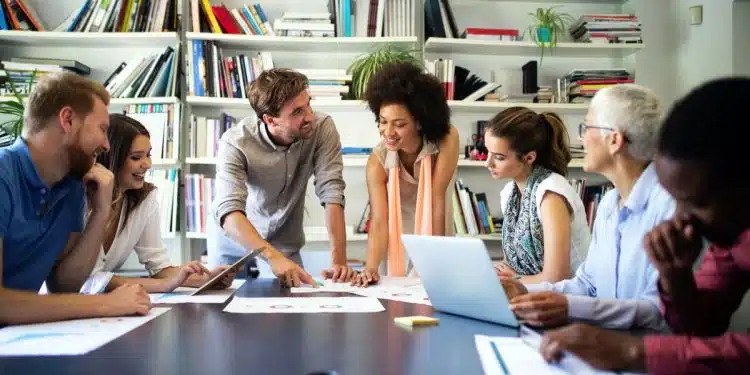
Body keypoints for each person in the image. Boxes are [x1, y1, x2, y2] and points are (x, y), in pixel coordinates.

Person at [538, 77, 750, 374]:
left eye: (697, 203)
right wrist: (675, 277)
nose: (681, 217)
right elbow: (703, 325)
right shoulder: (726, 236)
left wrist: (633, 351)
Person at [500, 84, 674, 331]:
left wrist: (569, 308)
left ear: (614, 140)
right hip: (606, 346)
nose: (582, 137)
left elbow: (658, 311)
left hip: (647, 359)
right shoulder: (609, 204)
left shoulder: (668, 207)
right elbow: (586, 284)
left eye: (587, 127)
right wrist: (523, 288)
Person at [0, 72, 151, 325]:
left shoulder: (72, 184)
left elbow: (63, 284)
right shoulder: (4, 176)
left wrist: (101, 211)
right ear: (67, 119)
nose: (107, 145)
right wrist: (106, 303)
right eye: (102, 130)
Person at [207, 68, 353, 287]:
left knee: (296, 303)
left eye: (308, 105)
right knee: (219, 305)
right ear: (270, 120)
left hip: (283, 238)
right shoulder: (235, 142)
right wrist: (272, 257)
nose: (310, 117)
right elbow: (229, 211)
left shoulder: (322, 128)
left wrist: (339, 262)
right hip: (234, 236)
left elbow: (332, 191)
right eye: (297, 112)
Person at [79, 114, 236, 294]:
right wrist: (165, 286)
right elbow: (90, 279)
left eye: (148, 155)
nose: (147, 164)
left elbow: (160, 268)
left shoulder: (145, 199)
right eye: (136, 157)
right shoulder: (82, 200)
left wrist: (205, 279)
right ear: (111, 158)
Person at [350, 61, 460, 287]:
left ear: (419, 122)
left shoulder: (446, 140)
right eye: (382, 122)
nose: (388, 132)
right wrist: (369, 268)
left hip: (435, 234)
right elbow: (379, 220)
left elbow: (436, 199)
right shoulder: (377, 162)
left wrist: (435, 261)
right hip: (394, 243)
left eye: (399, 124)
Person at [485, 107, 590, 283]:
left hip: (572, 297)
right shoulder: (509, 194)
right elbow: (513, 265)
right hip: (535, 292)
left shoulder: (551, 195)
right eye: (487, 152)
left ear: (529, 158)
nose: (488, 163)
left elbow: (557, 277)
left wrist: (514, 280)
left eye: (499, 157)